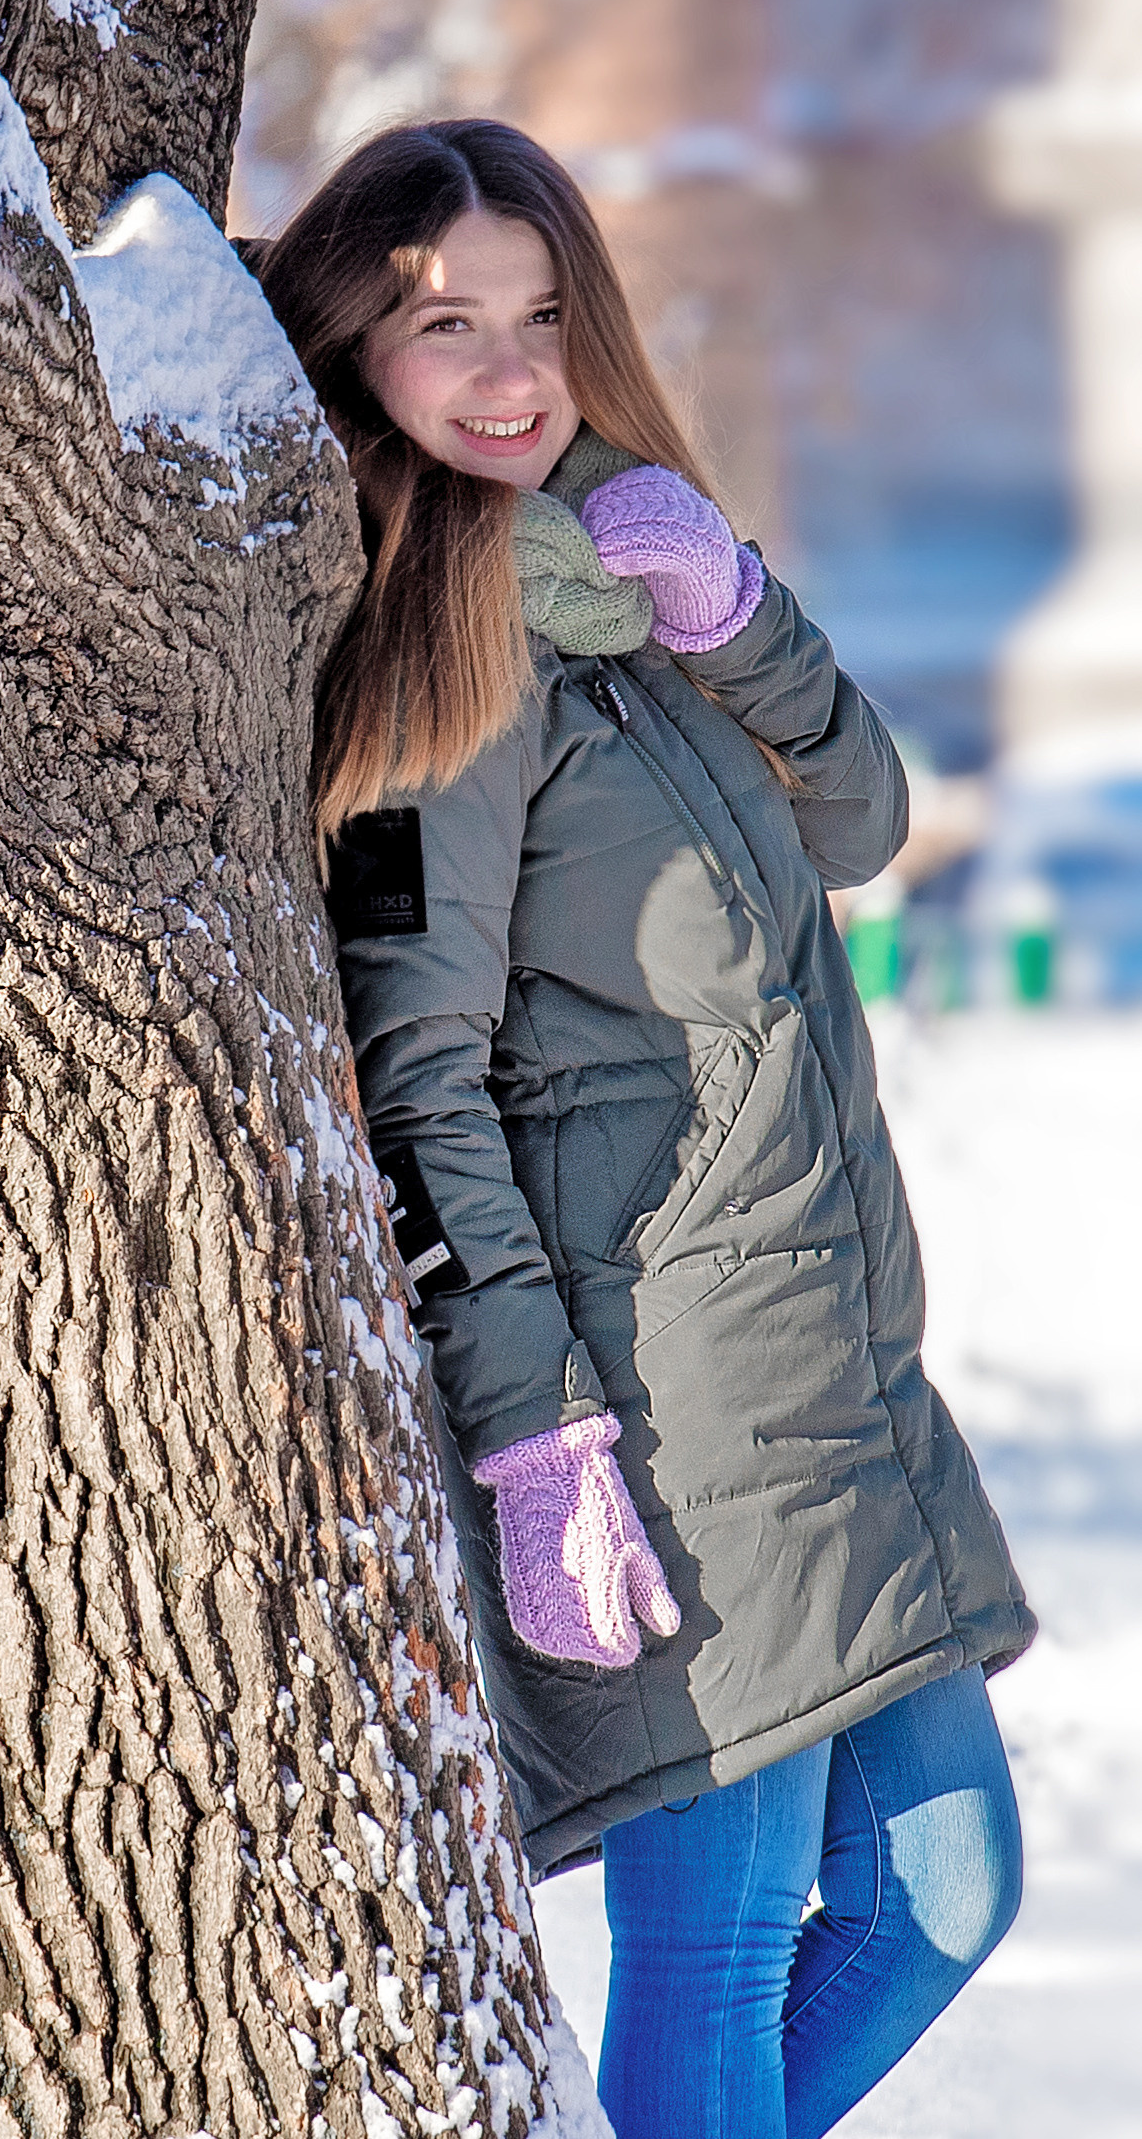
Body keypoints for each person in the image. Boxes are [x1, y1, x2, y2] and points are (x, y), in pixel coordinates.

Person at [256, 118, 1032, 2139]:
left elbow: (859, 820)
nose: (509, 371)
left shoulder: (617, 578)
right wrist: (532, 1440)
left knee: (943, 1895)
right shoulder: (438, 662)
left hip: (822, 1356)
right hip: (655, 1397)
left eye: (539, 316)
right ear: (351, 346)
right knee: (717, 1942)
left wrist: (734, 611)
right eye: (446, 324)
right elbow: (406, 1077)